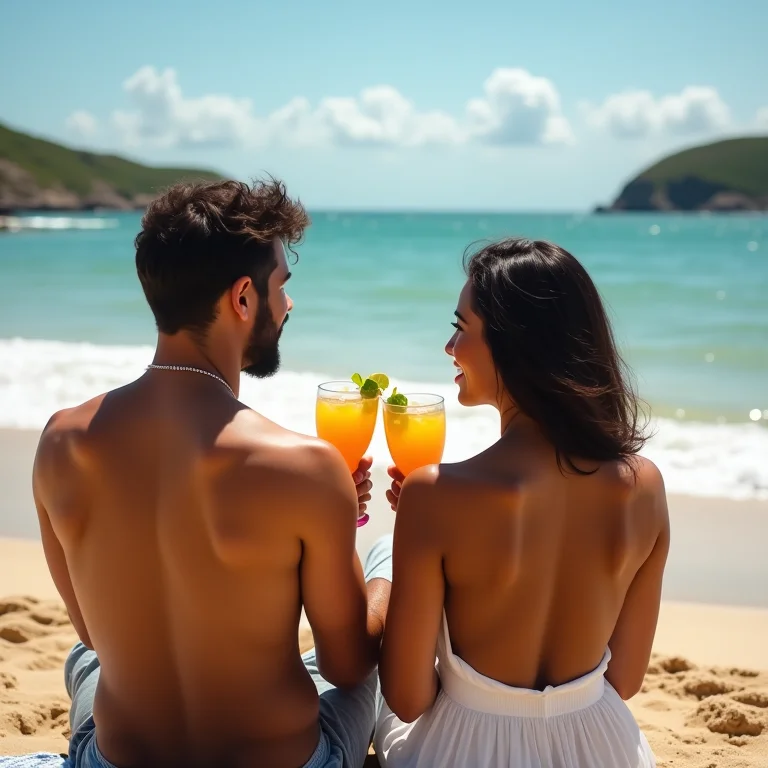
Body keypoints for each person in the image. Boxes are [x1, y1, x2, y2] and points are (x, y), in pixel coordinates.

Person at [32, 179, 392, 768]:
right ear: (243, 298)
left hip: (115, 759)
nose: (289, 305)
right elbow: (348, 663)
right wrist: (375, 576)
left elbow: (96, 633)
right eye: (282, 286)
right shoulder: (305, 466)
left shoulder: (60, 442)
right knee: (388, 558)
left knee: (89, 661)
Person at [376, 238, 667, 767]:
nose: (449, 347)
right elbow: (623, 679)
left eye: (461, 328)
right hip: (599, 748)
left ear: (514, 344)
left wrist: (421, 532)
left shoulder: (434, 493)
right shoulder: (644, 485)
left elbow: (407, 697)